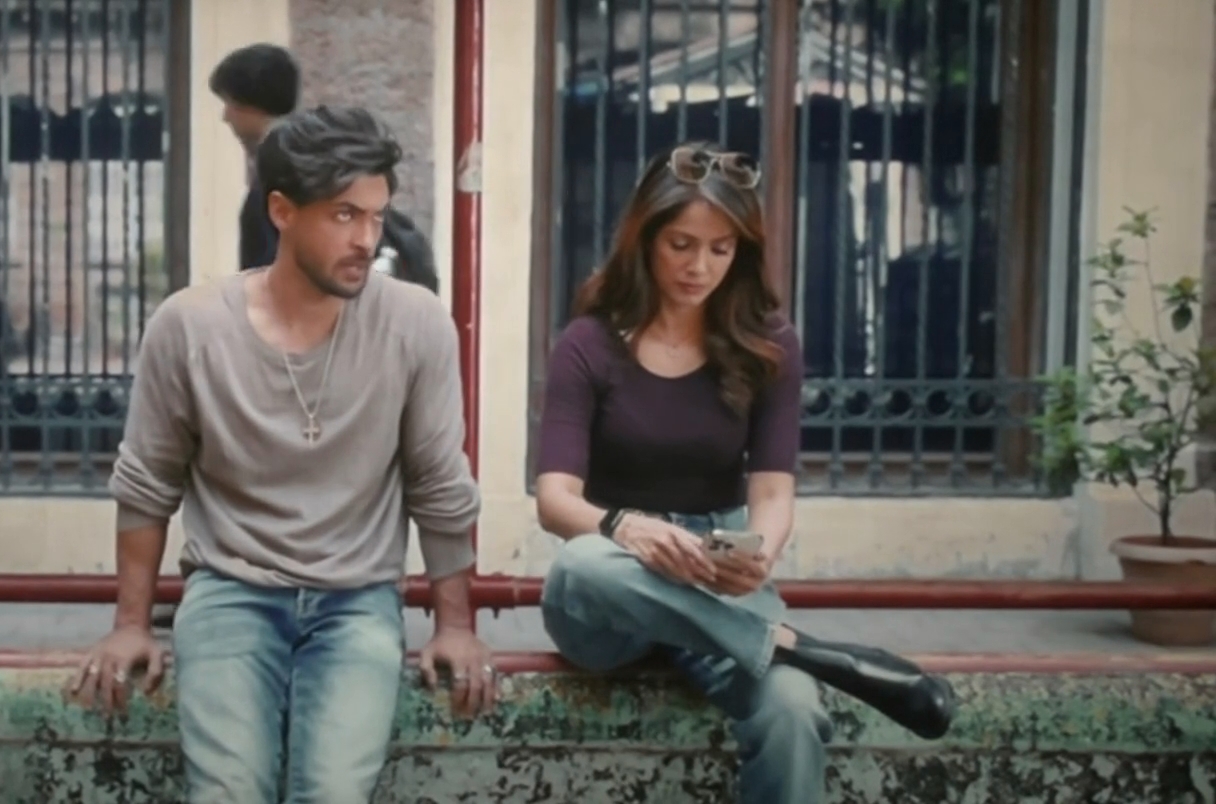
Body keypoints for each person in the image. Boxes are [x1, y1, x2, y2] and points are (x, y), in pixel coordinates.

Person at [68, 106, 495, 803]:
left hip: (358, 599)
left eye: (376, 216)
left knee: (332, 793)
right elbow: (147, 483)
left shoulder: (416, 323)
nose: (366, 239)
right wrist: (130, 625)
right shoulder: (191, 327)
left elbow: (439, 481)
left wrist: (454, 626)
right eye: (343, 215)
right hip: (231, 589)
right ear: (282, 211)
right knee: (227, 791)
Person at [532, 143, 957, 804]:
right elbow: (555, 500)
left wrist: (760, 555)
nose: (699, 266)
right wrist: (629, 529)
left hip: (715, 575)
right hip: (616, 586)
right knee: (578, 565)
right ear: (644, 237)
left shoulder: (770, 343)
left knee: (793, 710)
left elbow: (773, 489)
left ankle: (783, 656)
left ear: (742, 252)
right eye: (680, 244)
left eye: (720, 249)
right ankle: (795, 646)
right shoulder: (589, 343)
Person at [209, 43, 299, 270]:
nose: (225, 116)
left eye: (230, 103)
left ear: (251, 104)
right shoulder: (302, 157)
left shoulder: (277, 173)